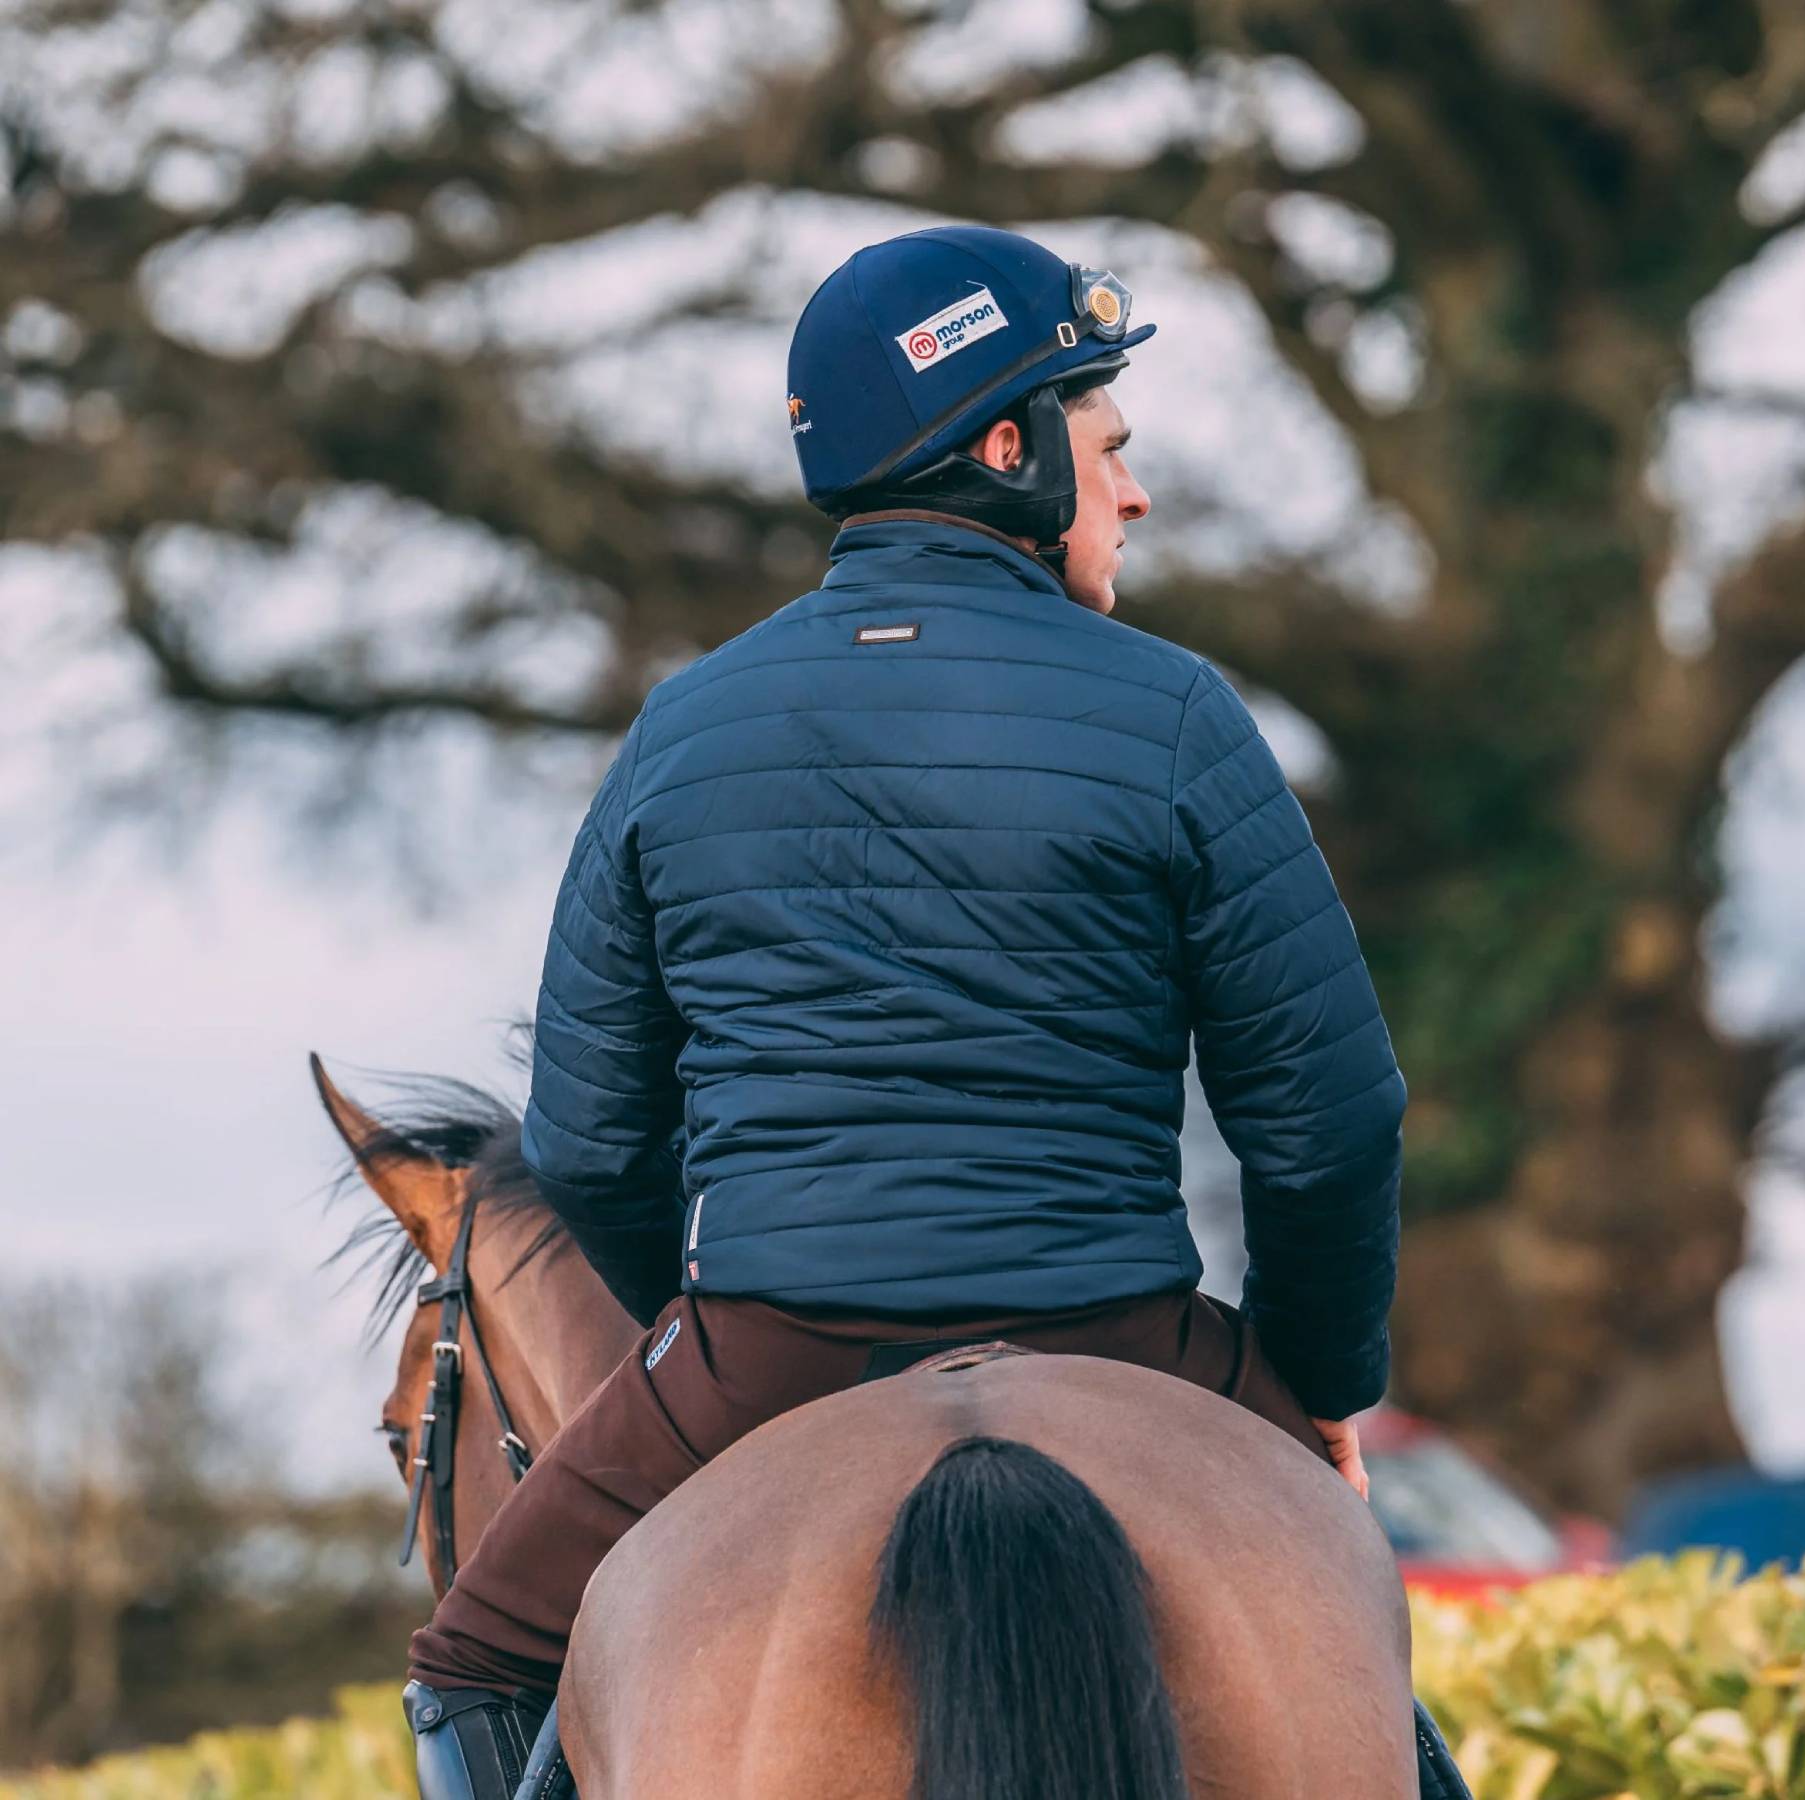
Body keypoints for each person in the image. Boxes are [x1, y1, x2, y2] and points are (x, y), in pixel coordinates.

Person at [400, 225, 1439, 1798]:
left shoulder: (677, 734)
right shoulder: (1178, 714)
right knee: (1358, 1654)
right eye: (1110, 448)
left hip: (770, 1343)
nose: (1135, 495)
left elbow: (592, 1141)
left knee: (467, 1660)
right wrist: (1313, 1386)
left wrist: (702, 1334)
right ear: (1009, 450)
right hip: (1131, 1328)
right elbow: (1332, 1121)